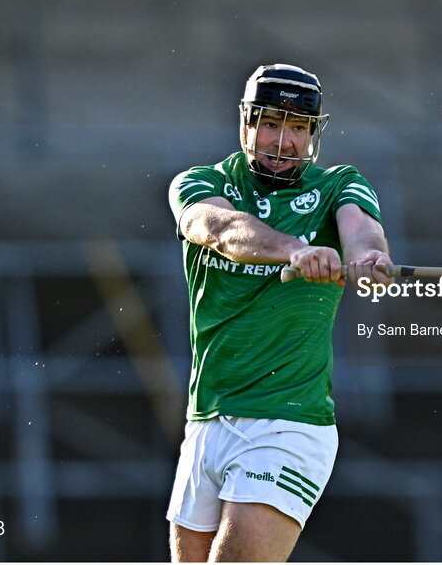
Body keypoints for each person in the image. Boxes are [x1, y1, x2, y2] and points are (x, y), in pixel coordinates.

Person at [164, 63, 393, 562]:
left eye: (298, 128)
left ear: (313, 133)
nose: (283, 140)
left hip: (287, 424)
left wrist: (367, 257)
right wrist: (293, 249)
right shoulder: (200, 183)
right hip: (206, 419)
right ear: (246, 123)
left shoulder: (338, 186)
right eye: (271, 122)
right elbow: (222, 230)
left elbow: (362, 231)